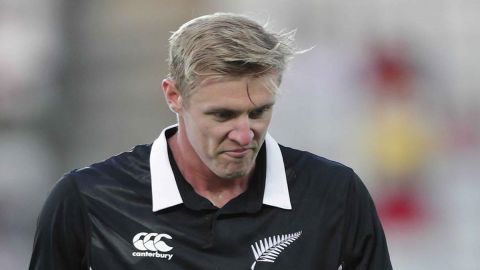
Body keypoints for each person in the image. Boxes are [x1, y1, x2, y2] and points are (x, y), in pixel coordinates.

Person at [29, 13, 392, 270]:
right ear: (174, 96)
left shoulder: (335, 194)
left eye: (259, 112)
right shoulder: (88, 199)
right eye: (222, 115)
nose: (244, 134)